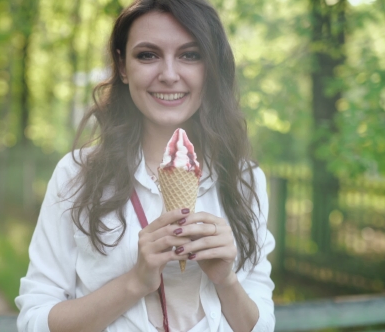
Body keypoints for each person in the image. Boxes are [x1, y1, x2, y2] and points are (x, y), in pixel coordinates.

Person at [15, 0, 275, 331]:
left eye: (190, 55)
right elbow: (34, 321)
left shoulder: (244, 180)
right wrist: (135, 282)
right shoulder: (76, 176)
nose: (169, 75)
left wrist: (226, 280)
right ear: (123, 67)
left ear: (210, 68)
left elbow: (261, 325)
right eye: (147, 55)